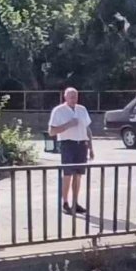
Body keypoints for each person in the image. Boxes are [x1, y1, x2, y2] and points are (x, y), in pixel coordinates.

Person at [48, 87, 94, 215]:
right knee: (67, 175)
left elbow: (87, 129)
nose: (74, 99)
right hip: (68, 144)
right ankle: (65, 202)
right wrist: (68, 125)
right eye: (71, 97)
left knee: (78, 175)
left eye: (76, 96)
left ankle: (75, 202)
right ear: (65, 97)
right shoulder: (58, 111)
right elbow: (51, 131)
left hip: (81, 144)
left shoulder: (82, 109)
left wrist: (91, 147)